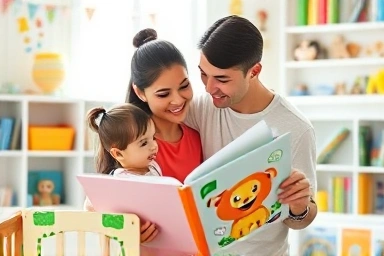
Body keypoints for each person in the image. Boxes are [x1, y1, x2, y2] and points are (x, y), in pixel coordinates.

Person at [184, 15, 318, 256]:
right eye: (204, 74)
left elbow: (300, 220)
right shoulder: (202, 107)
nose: (208, 87)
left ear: (254, 71)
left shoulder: (296, 128)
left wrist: (299, 207)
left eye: (222, 79)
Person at [126, 28, 203, 183]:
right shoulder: (132, 143)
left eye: (184, 86)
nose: (178, 100)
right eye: (163, 94)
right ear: (140, 93)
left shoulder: (198, 138)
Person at [84, 103, 159, 244]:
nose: (154, 146)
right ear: (118, 153)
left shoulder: (153, 167)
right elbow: (91, 213)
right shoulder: (117, 181)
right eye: (144, 143)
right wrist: (126, 233)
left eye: (153, 137)